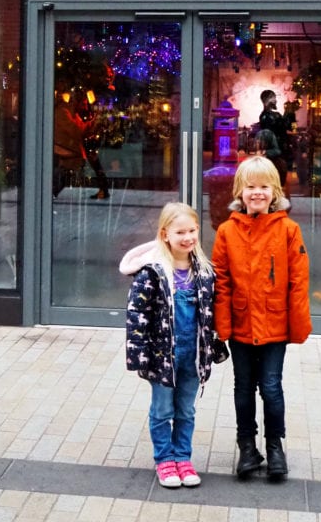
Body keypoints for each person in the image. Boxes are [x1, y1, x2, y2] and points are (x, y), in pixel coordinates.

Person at [212, 155, 311, 481]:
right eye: (250, 187)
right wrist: (222, 326)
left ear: (275, 191)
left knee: (271, 387)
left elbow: (298, 281)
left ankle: (274, 446)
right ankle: (247, 447)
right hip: (241, 325)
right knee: (243, 388)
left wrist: (296, 326)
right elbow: (221, 281)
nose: (257, 193)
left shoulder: (288, 230)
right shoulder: (226, 232)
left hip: (274, 324)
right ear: (240, 192)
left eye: (264, 187)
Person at [120, 202, 226, 489]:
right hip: (161, 357)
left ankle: (183, 457)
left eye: (192, 230)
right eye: (181, 232)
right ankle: (164, 459)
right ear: (165, 234)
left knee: (186, 411)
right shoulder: (152, 273)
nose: (188, 237)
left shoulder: (204, 272)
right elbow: (137, 317)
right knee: (162, 410)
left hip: (193, 356)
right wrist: (138, 356)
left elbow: (211, 315)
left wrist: (215, 344)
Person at [53, 90, 109, 199]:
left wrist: (91, 124)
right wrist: (92, 124)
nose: (84, 106)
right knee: (68, 168)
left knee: (71, 168)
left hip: (70, 146)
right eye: (83, 103)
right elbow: (78, 130)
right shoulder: (63, 112)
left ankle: (104, 189)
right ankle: (53, 191)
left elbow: (79, 128)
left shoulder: (70, 112)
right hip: (66, 146)